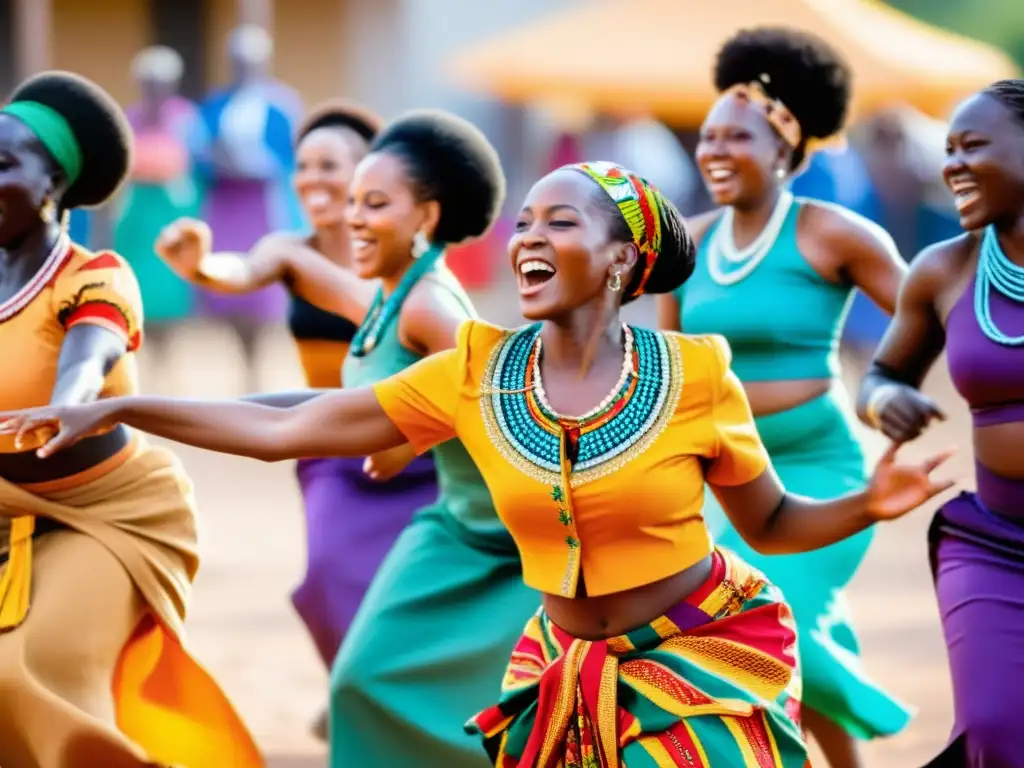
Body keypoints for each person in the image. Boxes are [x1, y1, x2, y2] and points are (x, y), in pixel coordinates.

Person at [0, 147, 956, 764]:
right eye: (526, 223)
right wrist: (125, 404)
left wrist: (869, 503)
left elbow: (773, 524)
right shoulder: (477, 372)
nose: (530, 238)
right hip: (563, 672)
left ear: (622, 259)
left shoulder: (697, 372)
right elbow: (291, 422)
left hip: (698, 661)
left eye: (562, 223)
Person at [160, 108, 541, 766]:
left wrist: (403, 436)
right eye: (304, 166)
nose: (326, 191)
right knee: (346, 630)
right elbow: (252, 281)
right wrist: (199, 267)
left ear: (420, 210)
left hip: (476, 512)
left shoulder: (426, 302)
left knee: (412, 675)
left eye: (363, 191)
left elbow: (496, 403)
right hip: (373, 471)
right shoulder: (348, 279)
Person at [657, 28, 911, 767]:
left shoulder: (835, 233)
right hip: (725, 477)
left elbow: (927, 312)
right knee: (735, 625)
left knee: (774, 619)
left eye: (735, 136)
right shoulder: (688, 243)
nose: (712, 151)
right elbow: (676, 372)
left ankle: (868, 703)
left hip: (820, 465)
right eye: (705, 137)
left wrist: (884, 386)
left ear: (784, 144)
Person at [0, 71, 260, 768]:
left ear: (53, 184)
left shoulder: (96, 274)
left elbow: (92, 350)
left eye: (4, 164)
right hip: (4, 507)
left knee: (33, 667)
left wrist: (70, 401)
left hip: (108, 514)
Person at [156, 99, 430, 742]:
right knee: (324, 583)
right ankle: (353, 685)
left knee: (412, 589)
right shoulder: (288, 248)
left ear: (374, 174)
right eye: (303, 166)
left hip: (415, 445)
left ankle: (383, 700)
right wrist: (197, 262)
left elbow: (403, 321)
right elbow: (235, 271)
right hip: (332, 448)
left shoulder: (411, 260)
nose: (313, 180)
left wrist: (313, 272)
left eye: (330, 165)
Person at [856, 78, 1024, 767]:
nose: (951, 164)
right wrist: (882, 401)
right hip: (994, 543)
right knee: (995, 729)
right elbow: (882, 373)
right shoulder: (945, 270)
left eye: (972, 146)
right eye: (946, 149)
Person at [195, 23, 304, 390]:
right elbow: (199, 155)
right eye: (237, 60)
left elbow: (292, 157)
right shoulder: (216, 105)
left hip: (262, 203)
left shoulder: (281, 104)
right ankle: (242, 361)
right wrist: (218, 162)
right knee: (229, 282)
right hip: (227, 202)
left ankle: (260, 367)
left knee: (263, 283)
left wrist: (257, 164)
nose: (244, 66)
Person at [114, 46, 205, 354]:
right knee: (140, 281)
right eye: (148, 82)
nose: (154, 89)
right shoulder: (131, 117)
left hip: (172, 208)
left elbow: (189, 161)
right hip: (138, 212)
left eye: (160, 83)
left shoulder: (185, 118)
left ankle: (170, 350)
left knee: (171, 279)